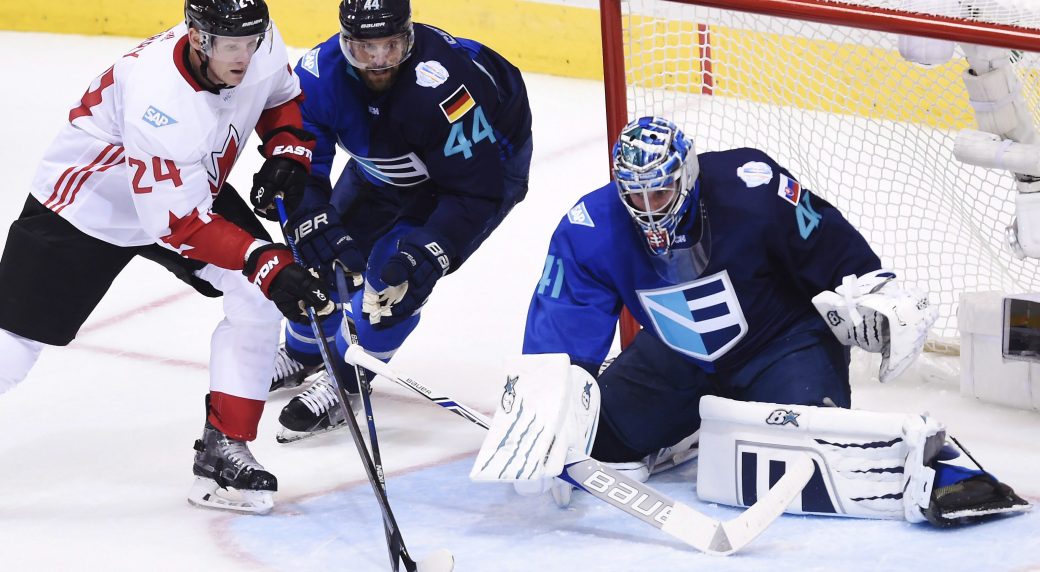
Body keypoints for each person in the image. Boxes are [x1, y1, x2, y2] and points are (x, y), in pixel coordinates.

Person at [499, 116, 1028, 526]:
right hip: (677, 355)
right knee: (592, 443)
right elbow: (563, 323)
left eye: (658, 191)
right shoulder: (591, 225)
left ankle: (942, 467)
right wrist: (548, 408)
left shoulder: (753, 186)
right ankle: (681, 431)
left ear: (687, 175)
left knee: (819, 456)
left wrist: (871, 294)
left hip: (783, 343)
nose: (646, 207)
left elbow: (831, 247)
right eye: (632, 194)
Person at [0, 0, 333, 514]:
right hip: (89, 205)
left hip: (185, 183)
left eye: (252, 42)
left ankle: (224, 450)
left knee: (254, 297)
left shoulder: (254, 40)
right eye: (231, 47)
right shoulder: (161, 96)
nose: (245, 56)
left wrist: (288, 148)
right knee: (14, 344)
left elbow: (279, 97)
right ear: (198, 38)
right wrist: (264, 260)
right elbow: (176, 223)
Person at [251, 0, 533, 441]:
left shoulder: (447, 88)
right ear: (345, 43)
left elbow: (475, 191)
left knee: (397, 277)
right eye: (365, 50)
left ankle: (349, 377)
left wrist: (433, 250)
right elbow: (302, 159)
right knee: (315, 251)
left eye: (391, 46)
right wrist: (308, 213)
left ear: (409, 36)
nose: (379, 62)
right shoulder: (318, 76)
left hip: (481, 168)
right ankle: (305, 352)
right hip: (384, 165)